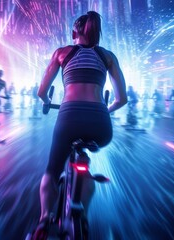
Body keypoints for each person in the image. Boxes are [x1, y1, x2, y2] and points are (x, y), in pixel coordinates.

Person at [32, 11, 127, 239]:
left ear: (74, 31)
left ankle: (45, 219)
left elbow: (41, 92)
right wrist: (105, 110)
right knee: (87, 170)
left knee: (52, 171)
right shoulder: (108, 56)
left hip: (69, 120)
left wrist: (47, 102)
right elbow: (121, 99)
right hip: (100, 126)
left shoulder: (62, 53)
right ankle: (81, 214)